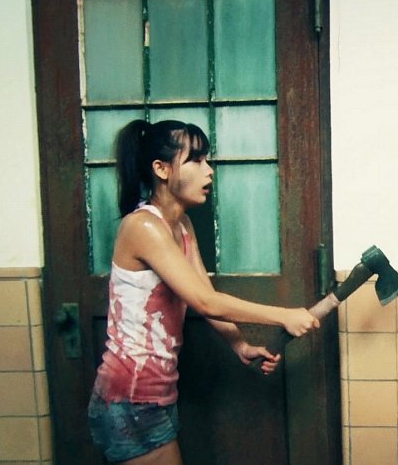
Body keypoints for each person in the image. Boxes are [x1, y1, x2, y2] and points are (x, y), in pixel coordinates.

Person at [87, 120, 330, 464]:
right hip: (129, 395)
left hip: (155, 391)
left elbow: (203, 293)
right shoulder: (143, 226)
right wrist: (284, 316)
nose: (209, 170)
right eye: (196, 160)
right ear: (161, 169)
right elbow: (206, 302)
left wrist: (240, 345)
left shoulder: (181, 225)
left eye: (207, 159)